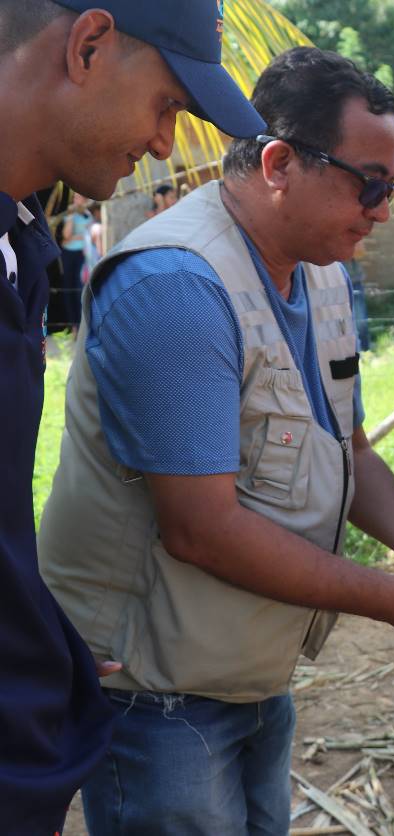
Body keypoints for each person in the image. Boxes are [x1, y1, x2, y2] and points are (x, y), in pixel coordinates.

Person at [38, 46, 394, 833]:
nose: (385, 208)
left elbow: (347, 449)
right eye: (371, 184)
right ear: (281, 163)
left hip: (249, 674)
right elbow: (203, 531)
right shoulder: (177, 287)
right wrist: (393, 599)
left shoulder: (320, 269)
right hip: (160, 698)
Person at [0, 0, 264, 831]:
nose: (162, 143)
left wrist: (36, 638)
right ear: (87, 45)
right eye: (167, 107)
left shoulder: (20, 239)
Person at [57, 192, 93, 329]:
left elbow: (89, 235)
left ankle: (82, 324)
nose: (75, 200)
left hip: (83, 253)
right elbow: (66, 236)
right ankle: (73, 327)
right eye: (74, 197)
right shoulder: (70, 214)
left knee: (80, 288)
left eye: (78, 197)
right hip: (69, 253)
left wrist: (77, 237)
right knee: (68, 287)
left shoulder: (88, 214)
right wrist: (72, 215)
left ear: (85, 199)